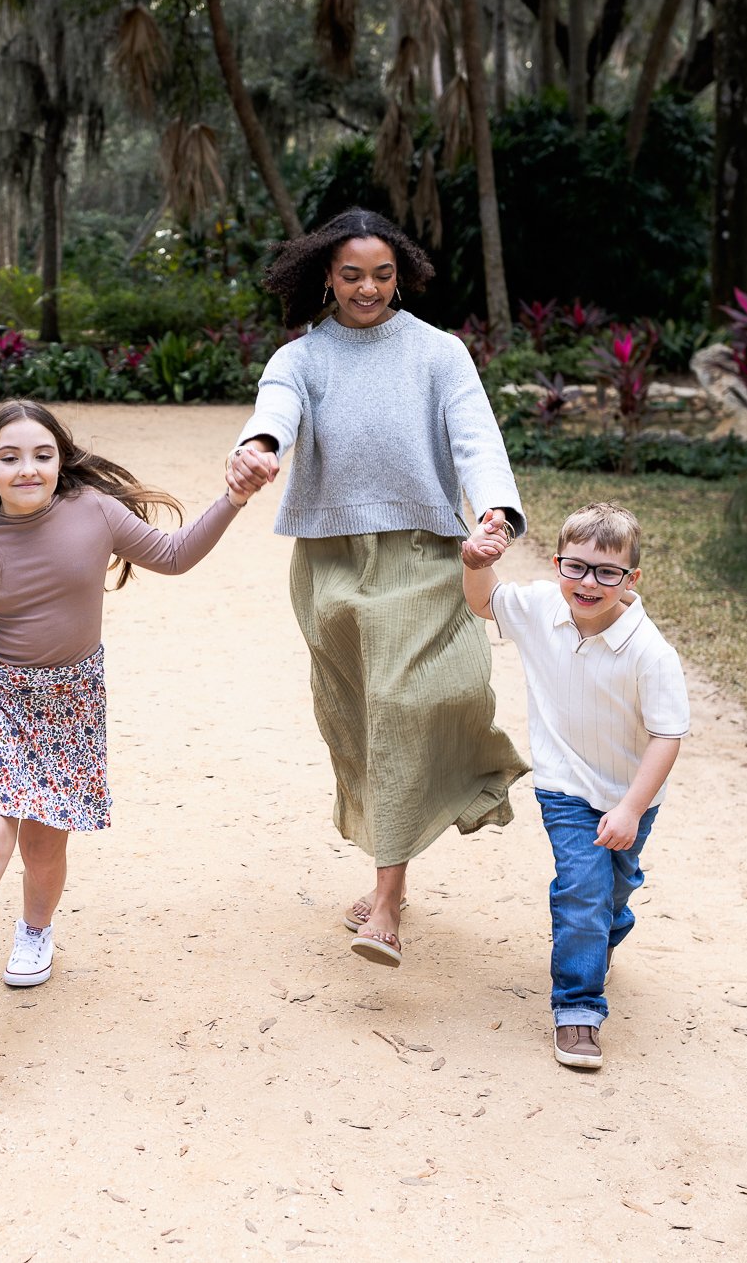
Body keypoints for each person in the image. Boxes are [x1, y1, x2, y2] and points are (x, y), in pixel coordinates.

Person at [0, 401, 260, 1054]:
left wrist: (233, 497)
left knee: (44, 851)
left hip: (70, 705)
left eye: (41, 454)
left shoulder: (93, 512)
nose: (27, 467)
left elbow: (175, 555)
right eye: (9, 457)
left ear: (60, 459)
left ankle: (36, 927)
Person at [226, 207, 529, 969]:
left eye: (383, 274)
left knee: (409, 701)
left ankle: (387, 899)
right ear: (326, 273)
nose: (368, 288)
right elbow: (276, 411)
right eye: (353, 274)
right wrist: (259, 449)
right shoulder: (304, 357)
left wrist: (493, 507)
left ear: (403, 275)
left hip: (427, 554)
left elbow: (475, 436)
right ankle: (391, 862)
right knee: (360, 718)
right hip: (331, 564)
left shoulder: (439, 353)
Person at [459, 502, 688, 1070]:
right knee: (582, 891)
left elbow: (666, 737)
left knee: (614, 891)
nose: (588, 583)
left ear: (631, 579)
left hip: (632, 794)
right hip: (564, 786)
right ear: (559, 563)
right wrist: (473, 559)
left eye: (607, 573)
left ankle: (606, 929)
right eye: (576, 566)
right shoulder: (541, 607)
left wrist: (631, 809)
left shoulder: (649, 652)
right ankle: (578, 1010)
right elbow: (484, 600)